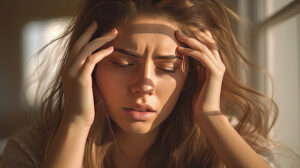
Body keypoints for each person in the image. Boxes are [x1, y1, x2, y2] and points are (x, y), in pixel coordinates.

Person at [1, 0, 286, 167]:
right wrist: (76, 122)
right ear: (86, 64)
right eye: (123, 63)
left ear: (195, 74)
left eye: (167, 67)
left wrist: (212, 118)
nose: (144, 84)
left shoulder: (230, 140)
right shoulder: (32, 151)